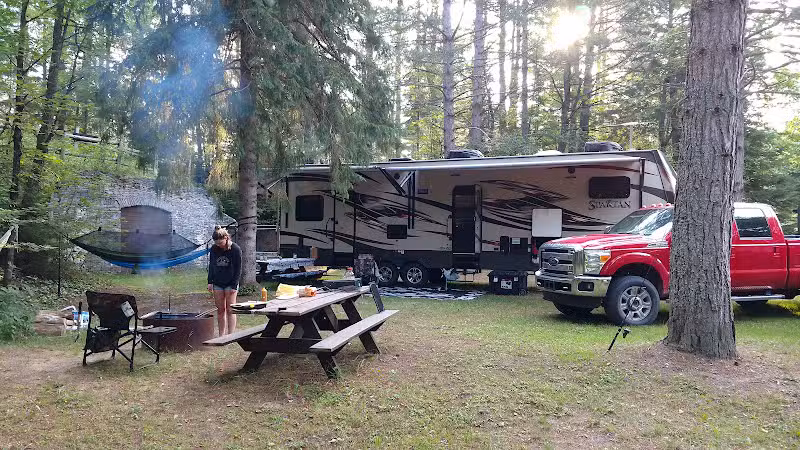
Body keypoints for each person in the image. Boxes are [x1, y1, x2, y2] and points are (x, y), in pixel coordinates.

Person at [207, 226, 242, 336]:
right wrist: (210, 281)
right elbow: (212, 265)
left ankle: (230, 335)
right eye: (217, 243)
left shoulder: (235, 249)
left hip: (231, 283)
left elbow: (238, 268)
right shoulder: (214, 249)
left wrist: (234, 285)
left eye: (220, 243)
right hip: (218, 282)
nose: (219, 245)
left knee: (230, 309)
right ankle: (221, 335)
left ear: (226, 238)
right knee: (220, 309)